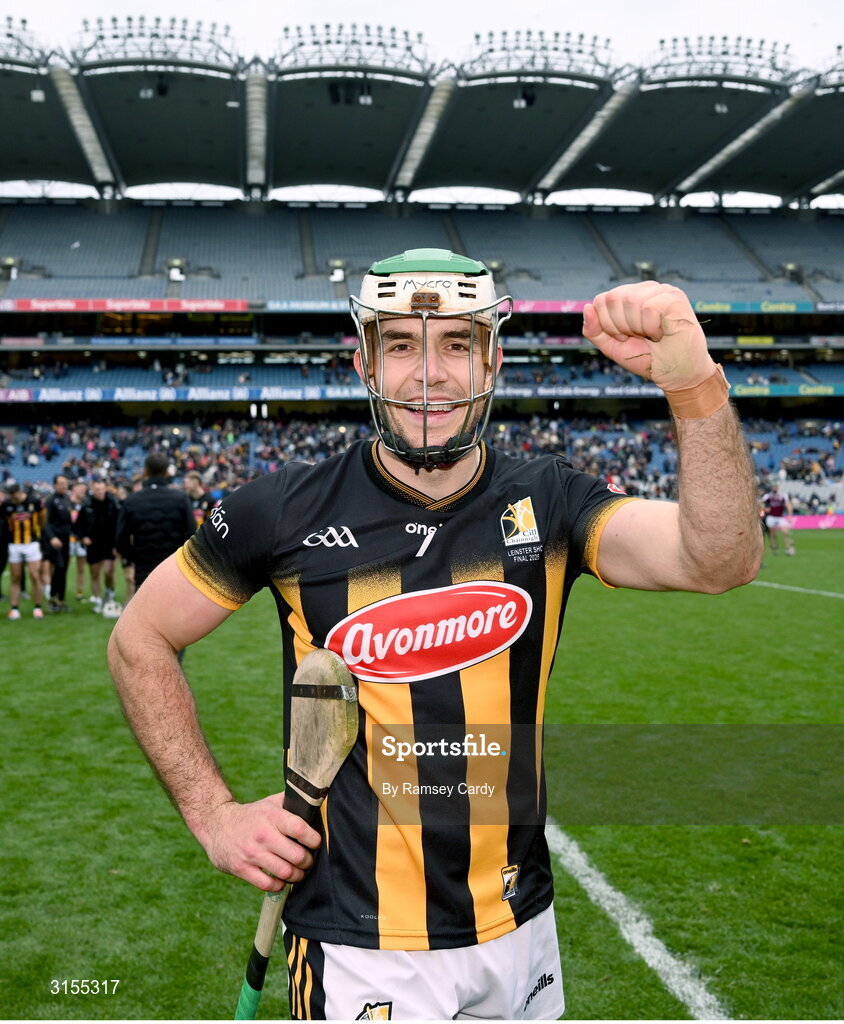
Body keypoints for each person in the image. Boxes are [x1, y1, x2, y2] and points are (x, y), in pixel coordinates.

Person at [108, 251, 762, 1021]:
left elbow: (720, 558)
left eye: (456, 343)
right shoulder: (282, 510)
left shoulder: (551, 501)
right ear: (364, 363)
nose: (429, 373)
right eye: (401, 344)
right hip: (359, 940)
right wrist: (212, 815)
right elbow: (139, 638)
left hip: (521, 928)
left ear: (493, 359)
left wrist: (694, 386)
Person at [114, 452, 196, 594]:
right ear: (166, 472)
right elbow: (191, 533)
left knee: (146, 612)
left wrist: (133, 557)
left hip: (144, 567)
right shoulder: (180, 498)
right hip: (174, 567)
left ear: (145, 471)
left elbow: (121, 539)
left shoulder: (132, 501)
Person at [2, 480, 46, 619]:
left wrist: (39, 533)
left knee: (34, 575)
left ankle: (37, 607)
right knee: (15, 577)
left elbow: (43, 518)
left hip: (31, 543)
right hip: (14, 544)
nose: (11, 497)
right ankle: (14, 608)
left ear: (18, 492)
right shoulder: (7, 505)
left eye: (13, 494)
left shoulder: (34, 501)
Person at [79, 478, 120, 613]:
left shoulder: (112, 502)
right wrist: (83, 537)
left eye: (102, 489)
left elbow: (118, 524)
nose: (100, 492)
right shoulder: (87, 504)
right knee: (95, 573)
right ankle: (97, 599)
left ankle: (109, 592)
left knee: (108, 572)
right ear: (93, 490)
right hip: (93, 543)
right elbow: (78, 524)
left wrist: (116, 545)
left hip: (109, 543)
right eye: (97, 490)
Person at [43, 473, 74, 612]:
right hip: (55, 540)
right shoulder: (50, 500)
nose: (64, 486)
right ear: (55, 485)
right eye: (61, 483)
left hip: (66, 540)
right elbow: (45, 523)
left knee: (64, 569)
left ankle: (61, 600)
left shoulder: (67, 499)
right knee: (59, 568)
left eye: (65, 483)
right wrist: (52, 538)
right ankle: (52, 598)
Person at [761, 482, 795, 555]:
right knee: (772, 533)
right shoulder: (768, 496)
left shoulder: (783, 495)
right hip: (771, 517)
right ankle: (775, 547)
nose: (775, 488)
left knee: (785, 532)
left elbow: (788, 505)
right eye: (774, 486)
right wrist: (764, 509)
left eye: (776, 486)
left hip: (780, 517)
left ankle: (788, 548)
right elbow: (760, 503)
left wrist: (790, 515)